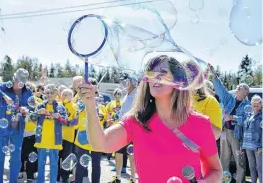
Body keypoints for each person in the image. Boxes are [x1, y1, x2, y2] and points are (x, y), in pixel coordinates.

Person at [80, 55, 222, 182]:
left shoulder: (200, 123)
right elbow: (101, 144)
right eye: (151, 73)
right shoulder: (136, 121)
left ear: (179, 81)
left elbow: (215, 171)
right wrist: (90, 106)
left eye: (163, 72)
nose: (156, 77)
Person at [0, 68, 33, 183]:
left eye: (22, 82)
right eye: (18, 80)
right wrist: (3, 95)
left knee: (16, 159)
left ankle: (13, 181)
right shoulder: (4, 86)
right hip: (2, 128)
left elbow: (32, 108)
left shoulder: (28, 91)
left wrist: (26, 109)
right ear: (14, 78)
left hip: (17, 129)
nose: (19, 84)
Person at [209, 64, 250, 183]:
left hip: (237, 134)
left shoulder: (247, 105)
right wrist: (214, 74)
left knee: (239, 158)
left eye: (240, 88)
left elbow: (247, 120)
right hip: (224, 132)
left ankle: (240, 181)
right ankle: (224, 180)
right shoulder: (229, 99)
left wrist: (233, 117)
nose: (237, 88)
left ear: (244, 92)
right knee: (224, 158)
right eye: (238, 87)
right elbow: (220, 89)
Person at [74, 77, 107, 183]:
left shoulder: (102, 107)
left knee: (96, 165)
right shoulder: (81, 102)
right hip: (83, 138)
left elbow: (104, 121)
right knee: (80, 165)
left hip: (96, 139)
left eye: (93, 85)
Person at [34, 84, 67, 183]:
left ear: (56, 94)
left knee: (53, 165)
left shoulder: (60, 107)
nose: (49, 95)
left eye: (51, 93)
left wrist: (59, 117)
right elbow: (31, 118)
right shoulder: (40, 106)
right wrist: (37, 113)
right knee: (40, 165)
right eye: (47, 93)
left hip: (54, 141)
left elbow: (65, 122)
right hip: (42, 140)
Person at [110, 74, 138, 183]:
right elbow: (123, 112)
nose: (125, 84)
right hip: (122, 129)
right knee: (118, 153)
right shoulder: (126, 95)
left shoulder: (137, 96)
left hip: (131, 130)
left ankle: (132, 179)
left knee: (131, 154)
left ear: (131, 83)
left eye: (127, 82)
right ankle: (117, 177)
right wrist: (116, 117)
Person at [57, 88, 78, 182]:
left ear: (72, 96)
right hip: (58, 135)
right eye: (63, 94)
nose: (64, 96)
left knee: (66, 157)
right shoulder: (58, 105)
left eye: (67, 94)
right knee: (57, 157)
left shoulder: (74, 106)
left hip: (68, 136)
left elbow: (76, 120)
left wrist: (66, 122)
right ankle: (56, 175)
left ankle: (65, 178)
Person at [241, 95, 262, 183]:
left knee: (260, 168)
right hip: (248, 145)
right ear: (251, 103)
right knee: (252, 167)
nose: (256, 104)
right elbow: (245, 130)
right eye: (254, 102)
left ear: (261, 104)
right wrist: (242, 145)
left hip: (258, 146)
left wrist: (261, 146)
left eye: (258, 102)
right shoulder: (249, 115)